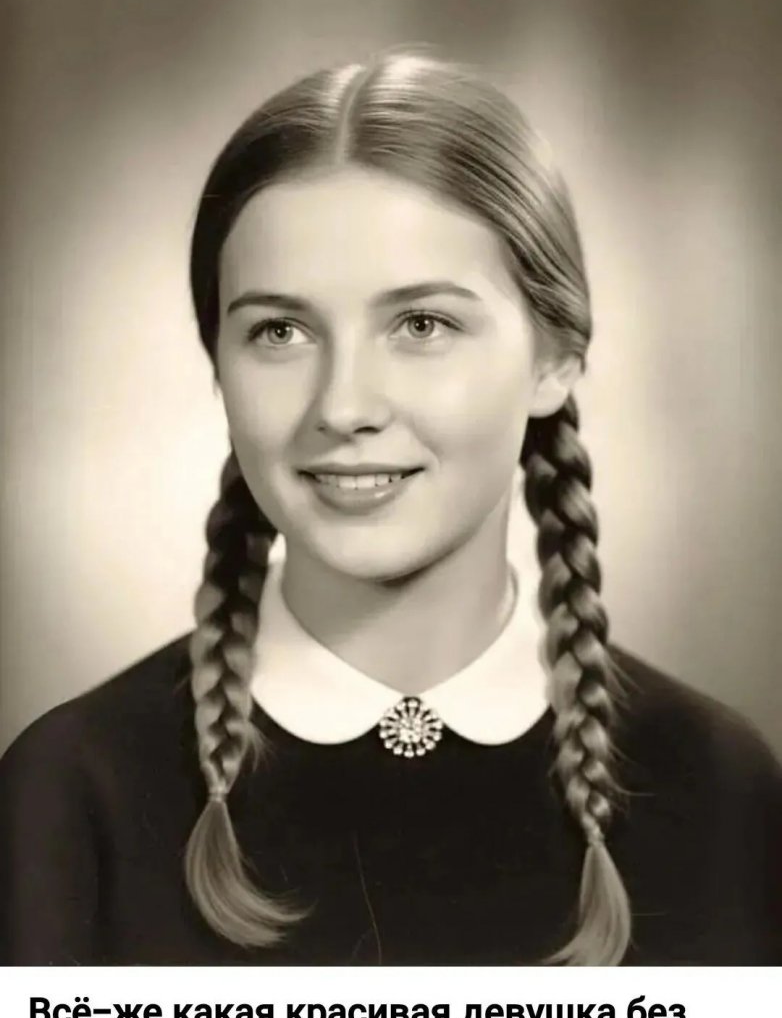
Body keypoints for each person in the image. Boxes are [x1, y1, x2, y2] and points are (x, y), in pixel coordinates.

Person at [1, 49, 781, 967]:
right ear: (219, 365)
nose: (343, 406)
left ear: (554, 360)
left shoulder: (720, 789)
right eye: (279, 331)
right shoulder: (70, 792)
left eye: (421, 325)